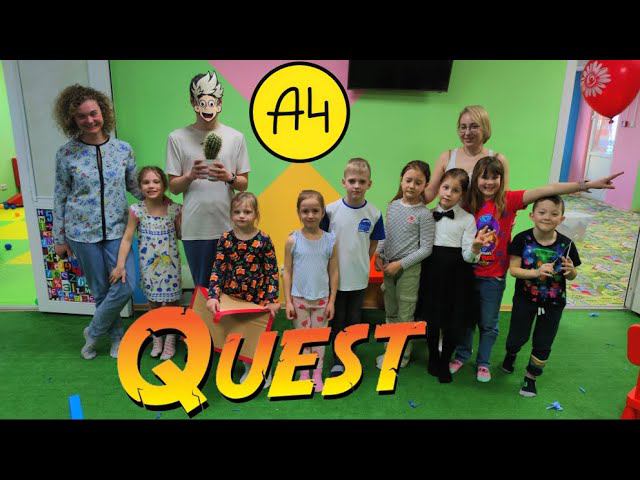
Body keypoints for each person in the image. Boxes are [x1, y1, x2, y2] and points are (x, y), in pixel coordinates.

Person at [449, 156, 622, 382]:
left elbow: (548, 189)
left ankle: (483, 362)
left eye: (495, 177)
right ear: (476, 179)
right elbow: (445, 201)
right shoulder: (467, 203)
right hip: (467, 274)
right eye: (484, 177)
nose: (489, 182)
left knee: (489, 324)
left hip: (493, 277)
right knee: (465, 321)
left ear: (502, 179)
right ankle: (462, 355)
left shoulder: (508, 201)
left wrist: (585, 185)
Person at [53, 84, 141, 360]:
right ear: (72, 120)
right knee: (101, 290)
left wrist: (164, 202)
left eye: (94, 113)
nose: (90, 120)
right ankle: (116, 338)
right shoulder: (66, 154)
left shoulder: (123, 150)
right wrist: (59, 238)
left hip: (117, 231)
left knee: (126, 285)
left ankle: (92, 332)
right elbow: (60, 196)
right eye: (82, 116)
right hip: (81, 233)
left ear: (103, 112)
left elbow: (135, 187)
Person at [166, 70, 250, 290]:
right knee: (203, 290)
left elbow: (244, 184)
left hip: (229, 226)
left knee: (231, 288)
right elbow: (173, 187)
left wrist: (229, 177)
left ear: (219, 102)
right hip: (195, 228)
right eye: (200, 100)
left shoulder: (236, 137)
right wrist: (190, 176)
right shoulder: (176, 138)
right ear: (193, 102)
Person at [414, 168, 492, 383]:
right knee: (431, 319)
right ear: (439, 188)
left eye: (455, 190)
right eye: (445, 187)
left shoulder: (467, 219)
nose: (448, 193)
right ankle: (433, 357)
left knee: (452, 321)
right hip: (431, 273)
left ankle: (445, 359)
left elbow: (468, 257)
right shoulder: (427, 214)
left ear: (462, 195)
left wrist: (475, 247)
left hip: (457, 277)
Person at [502, 196, 581, 397]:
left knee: (544, 342)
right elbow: (514, 270)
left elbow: (572, 275)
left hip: (554, 303)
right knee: (516, 338)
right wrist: (536, 272)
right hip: (525, 300)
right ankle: (511, 353)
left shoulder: (567, 244)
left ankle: (531, 378)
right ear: (532, 215)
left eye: (554, 214)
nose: (547, 217)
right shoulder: (521, 239)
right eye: (542, 212)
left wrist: (571, 271)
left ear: (561, 219)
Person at [320, 158, 385, 378]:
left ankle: (350, 355)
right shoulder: (330, 211)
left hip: (359, 277)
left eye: (362, 181)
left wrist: (363, 260)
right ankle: (338, 360)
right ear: (344, 182)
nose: (357, 186)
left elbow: (374, 242)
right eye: (352, 181)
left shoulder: (374, 213)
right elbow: (321, 239)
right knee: (338, 319)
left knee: (354, 319)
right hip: (336, 278)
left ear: (369, 184)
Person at [206, 192, 280, 384]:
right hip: (233, 298)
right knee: (238, 333)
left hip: (258, 299)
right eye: (237, 212)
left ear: (256, 214)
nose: (241, 216)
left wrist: (272, 300)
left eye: (247, 212)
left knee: (258, 336)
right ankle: (247, 366)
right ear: (231, 214)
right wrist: (213, 295)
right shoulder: (225, 239)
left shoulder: (264, 240)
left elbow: (272, 271)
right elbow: (218, 268)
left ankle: (264, 369)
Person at [110, 166, 182, 360]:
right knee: (154, 303)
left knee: (171, 303)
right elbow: (127, 238)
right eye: (146, 182)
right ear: (140, 186)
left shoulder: (175, 209)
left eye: (156, 182)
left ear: (164, 185)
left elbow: (181, 234)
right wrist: (120, 265)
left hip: (170, 265)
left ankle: (171, 338)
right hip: (149, 266)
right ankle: (157, 336)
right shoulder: (136, 211)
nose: (151, 186)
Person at [375, 160, 435, 369]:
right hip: (388, 267)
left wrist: (400, 264)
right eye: (408, 180)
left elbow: (426, 249)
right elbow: (385, 234)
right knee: (391, 312)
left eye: (418, 182)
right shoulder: (392, 206)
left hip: (408, 269)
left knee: (405, 314)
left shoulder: (424, 215)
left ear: (425, 185)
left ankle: (402, 356)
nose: (412, 186)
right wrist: (379, 253)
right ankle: (390, 351)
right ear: (401, 181)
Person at [283, 190, 339, 392]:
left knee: (318, 340)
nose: (310, 215)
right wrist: (288, 301)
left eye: (315, 211)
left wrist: (332, 301)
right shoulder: (293, 240)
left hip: (322, 300)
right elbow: (287, 271)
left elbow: (334, 271)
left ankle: (316, 373)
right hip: (299, 299)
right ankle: (304, 373)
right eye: (305, 211)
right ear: (298, 212)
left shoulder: (330, 240)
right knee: (302, 338)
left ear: (323, 212)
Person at [424, 105, 510, 204]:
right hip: (450, 214)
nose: (467, 133)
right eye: (463, 127)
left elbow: (504, 197)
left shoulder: (498, 159)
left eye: (474, 127)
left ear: (485, 128)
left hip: (484, 214)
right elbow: (430, 192)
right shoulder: (446, 157)